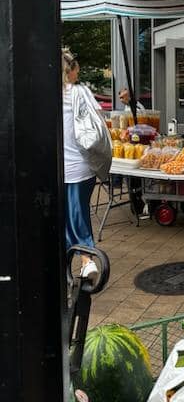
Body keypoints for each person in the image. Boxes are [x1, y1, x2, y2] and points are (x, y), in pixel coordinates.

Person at [61, 48, 99, 281]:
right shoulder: (80, 92)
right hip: (80, 166)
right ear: (71, 70)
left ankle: (84, 259)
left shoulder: (45, 94)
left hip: (60, 167)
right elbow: (98, 125)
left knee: (70, 215)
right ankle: (85, 260)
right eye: (77, 68)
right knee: (75, 214)